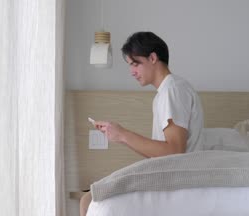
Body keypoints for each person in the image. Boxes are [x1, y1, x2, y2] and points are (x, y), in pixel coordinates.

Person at [80, 31, 204, 216]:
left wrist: (123, 134)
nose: (132, 72)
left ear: (153, 58)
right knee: (88, 198)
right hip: (168, 175)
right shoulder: (164, 93)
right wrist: (120, 137)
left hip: (176, 179)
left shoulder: (173, 89)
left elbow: (174, 151)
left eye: (135, 63)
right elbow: (160, 154)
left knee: (89, 199)